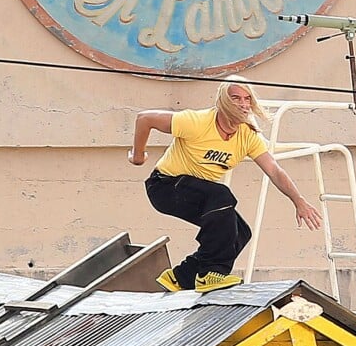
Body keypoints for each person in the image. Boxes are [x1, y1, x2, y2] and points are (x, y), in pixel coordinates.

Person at [128, 75, 322, 293]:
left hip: (198, 194)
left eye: (247, 99)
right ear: (223, 101)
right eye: (236, 98)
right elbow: (144, 118)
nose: (243, 104)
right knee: (221, 195)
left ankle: (182, 277)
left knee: (239, 232)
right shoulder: (197, 122)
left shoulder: (248, 136)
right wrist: (138, 155)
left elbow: (274, 170)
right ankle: (211, 274)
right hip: (165, 187)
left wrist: (299, 200)